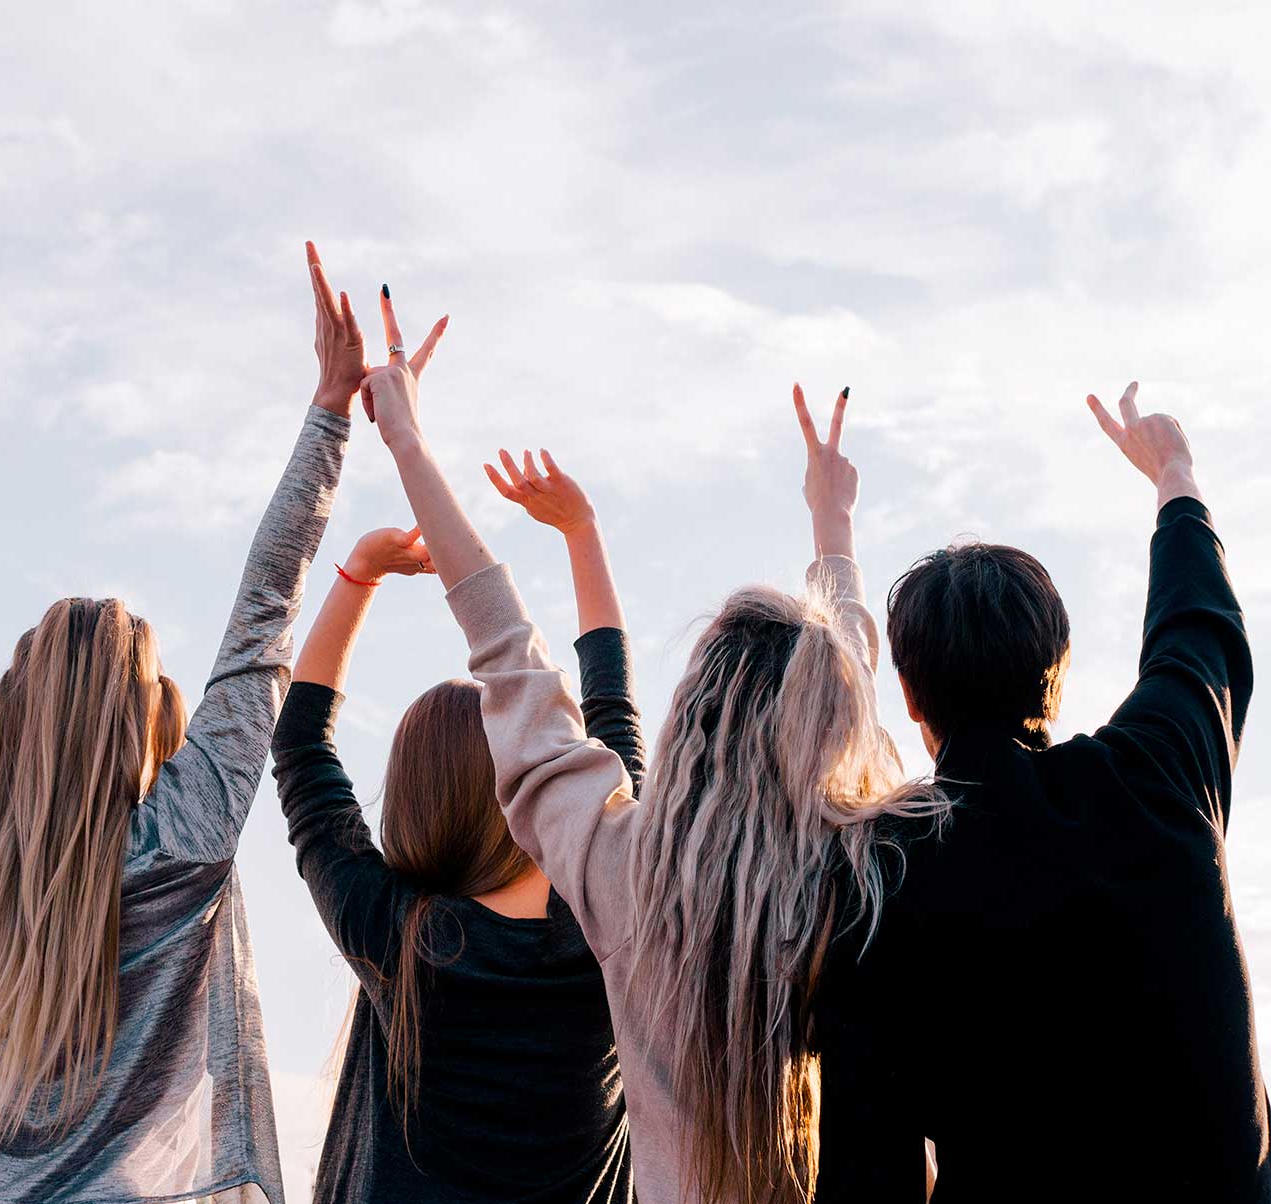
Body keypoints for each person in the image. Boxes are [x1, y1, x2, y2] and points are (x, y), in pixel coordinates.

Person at [361, 343, 945, 1204]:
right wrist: (832, 527)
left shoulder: (618, 868)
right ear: (829, 727)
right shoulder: (851, 874)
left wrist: (408, 444)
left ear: (692, 711)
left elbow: (505, 647)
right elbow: (842, 683)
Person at [0, 249, 352, 1203]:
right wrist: (331, 410)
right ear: (145, 717)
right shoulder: (185, 842)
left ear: (16, 710)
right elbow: (264, 614)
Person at [841, 382, 1265, 1201]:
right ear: (1058, 669)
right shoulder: (1159, 778)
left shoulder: (882, 874)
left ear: (910, 693)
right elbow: (1199, 634)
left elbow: (870, 1163)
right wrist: (1174, 475)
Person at [270, 448, 638, 1201]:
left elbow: (301, 742)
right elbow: (614, 723)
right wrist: (582, 533)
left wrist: (359, 576)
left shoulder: (394, 934)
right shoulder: (611, 911)